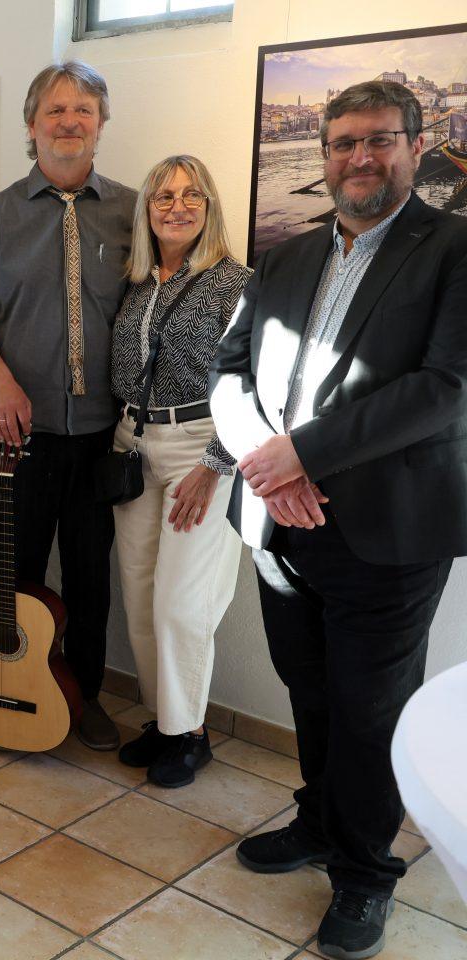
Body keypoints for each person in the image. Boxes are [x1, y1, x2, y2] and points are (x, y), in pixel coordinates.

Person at [210, 79, 467, 959]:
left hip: (389, 535)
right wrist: (266, 463)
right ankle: (319, 822)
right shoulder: (280, 255)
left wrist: (305, 454)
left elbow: (445, 387)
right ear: (323, 156)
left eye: (380, 140)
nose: (361, 157)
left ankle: (363, 874)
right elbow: (228, 371)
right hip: (282, 527)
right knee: (309, 689)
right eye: (343, 142)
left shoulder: (454, 249)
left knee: (370, 712)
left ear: (414, 146)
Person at [0, 61, 135, 750]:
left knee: (90, 576)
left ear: (101, 124)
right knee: (17, 577)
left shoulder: (131, 210)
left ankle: (81, 696)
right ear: (32, 126)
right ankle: (14, 691)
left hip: (102, 434)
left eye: (83, 109)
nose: (69, 122)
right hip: (18, 434)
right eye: (56, 110)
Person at [108, 156, 250, 787]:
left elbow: (254, 382)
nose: (177, 206)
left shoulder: (238, 282)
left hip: (203, 447)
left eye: (193, 195)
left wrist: (216, 462)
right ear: (147, 209)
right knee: (139, 596)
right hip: (134, 442)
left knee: (181, 604)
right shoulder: (137, 281)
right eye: (163, 195)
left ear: (211, 206)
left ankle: (191, 734)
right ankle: (166, 721)